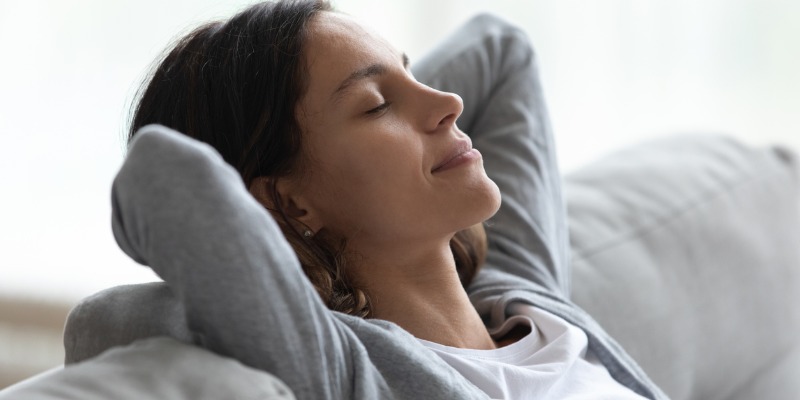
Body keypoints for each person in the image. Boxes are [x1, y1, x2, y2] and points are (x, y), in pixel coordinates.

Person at [113, 0, 667, 398]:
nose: (450, 101)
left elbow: (502, 49)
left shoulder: (521, 296)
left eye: (413, 73)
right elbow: (161, 174)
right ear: (289, 204)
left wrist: (369, 86)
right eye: (378, 104)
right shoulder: (351, 368)